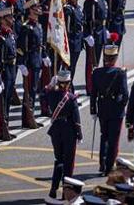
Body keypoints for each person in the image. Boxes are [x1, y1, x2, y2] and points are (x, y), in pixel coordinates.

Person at [90, 42, 128, 176]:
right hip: (116, 110)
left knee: (104, 136)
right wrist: (121, 106)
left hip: (102, 108)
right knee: (113, 139)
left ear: (104, 57)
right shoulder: (120, 73)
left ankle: (102, 163)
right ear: (115, 58)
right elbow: (125, 94)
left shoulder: (96, 72)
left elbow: (93, 93)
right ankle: (109, 166)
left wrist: (93, 110)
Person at [46, 68, 82, 203]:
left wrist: (50, 86)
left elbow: (44, 93)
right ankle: (65, 193)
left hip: (56, 130)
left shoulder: (51, 94)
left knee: (58, 160)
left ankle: (53, 189)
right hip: (69, 131)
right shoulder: (71, 98)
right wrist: (79, 134)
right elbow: (76, 119)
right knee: (68, 164)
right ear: (68, 83)